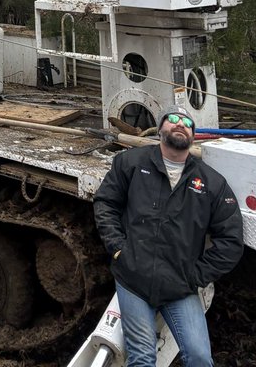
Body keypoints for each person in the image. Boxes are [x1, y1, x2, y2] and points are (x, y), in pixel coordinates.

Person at [93, 107, 244, 367]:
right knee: (142, 357)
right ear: (160, 129)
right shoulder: (131, 163)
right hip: (134, 280)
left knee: (200, 358)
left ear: (193, 136)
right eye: (172, 119)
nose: (180, 124)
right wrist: (118, 249)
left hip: (179, 286)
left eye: (187, 122)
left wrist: (196, 275)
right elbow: (105, 203)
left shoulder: (212, 183)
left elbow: (231, 241)